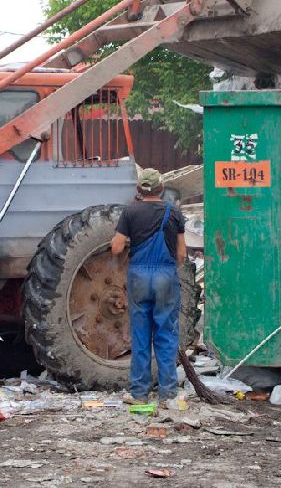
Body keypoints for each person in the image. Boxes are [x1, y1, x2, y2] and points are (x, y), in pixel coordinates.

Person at [110, 168, 186, 405]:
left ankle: (139, 393)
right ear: (161, 189)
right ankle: (168, 394)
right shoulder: (173, 212)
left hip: (139, 276)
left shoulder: (130, 212)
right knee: (166, 334)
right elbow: (182, 253)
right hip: (165, 276)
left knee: (141, 335)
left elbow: (116, 247)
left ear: (139, 190)